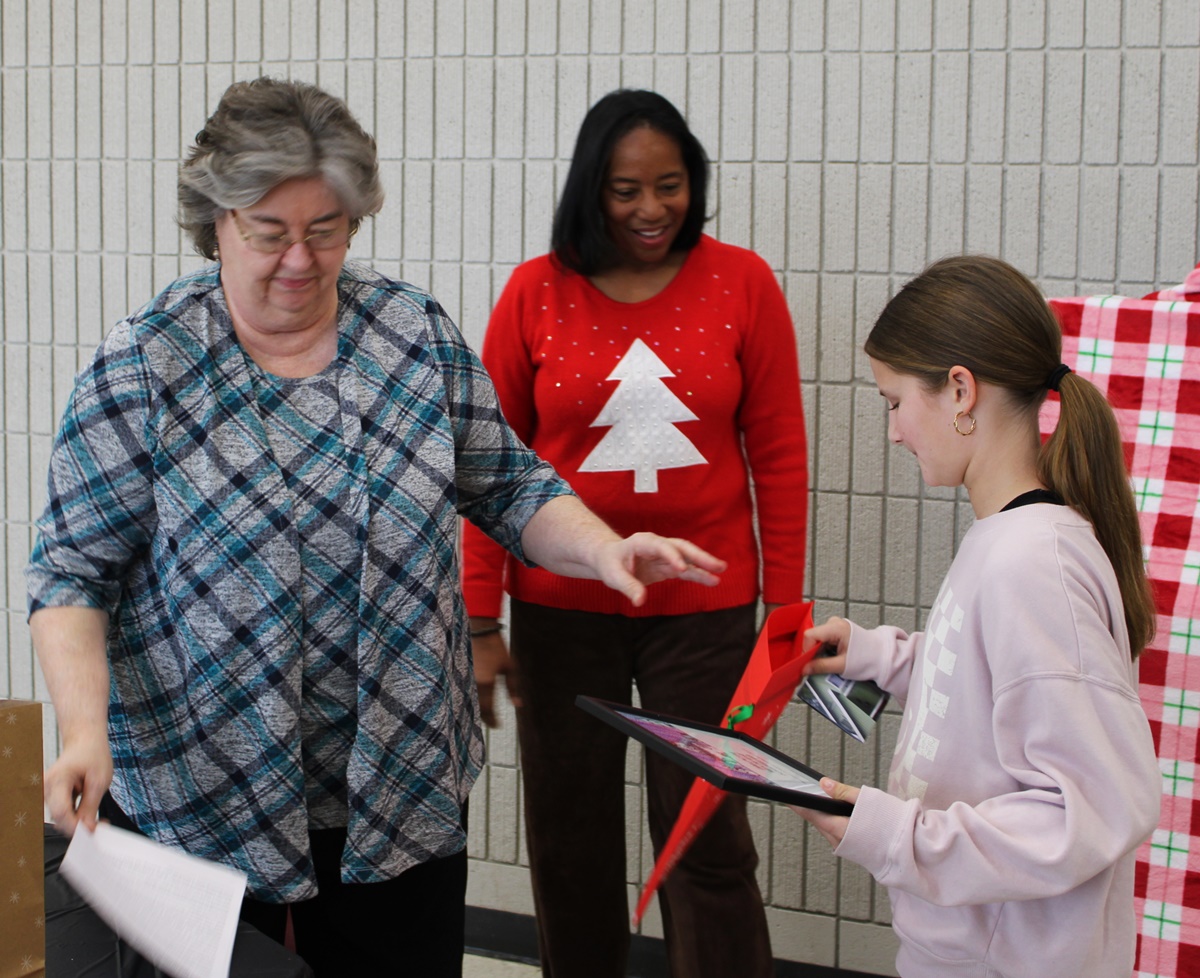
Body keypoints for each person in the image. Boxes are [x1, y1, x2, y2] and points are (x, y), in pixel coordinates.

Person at [25, 77, 728, 978]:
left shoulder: (409, 332)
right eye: (269, 232)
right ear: (216, 222)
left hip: (399, 782)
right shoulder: (147, 362)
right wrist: (83, 731)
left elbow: (510, 485)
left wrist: (603, 547)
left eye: (326, 230)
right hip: (204, 787)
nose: (300, 259)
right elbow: (72, 573)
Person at [460, 89, 808, 977]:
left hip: (706, 612)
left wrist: (786, 614)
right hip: (561, 611)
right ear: (591, 189)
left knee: (708, 837)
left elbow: (779, 455)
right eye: (625, 190)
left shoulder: (744, 283)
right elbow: (489, 465)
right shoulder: (535, 292)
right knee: (569, 839)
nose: (652, 209)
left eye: (670, 185)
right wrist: (481, 620)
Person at [794, 255, 1160, 977]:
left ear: (961, 391)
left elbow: (1090, 807)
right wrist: (877, 658)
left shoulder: (1031, 562)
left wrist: (892, 835)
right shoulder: (1009, 539)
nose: (895, 432)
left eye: (895, 402)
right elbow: (991, 681)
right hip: (972, 949)